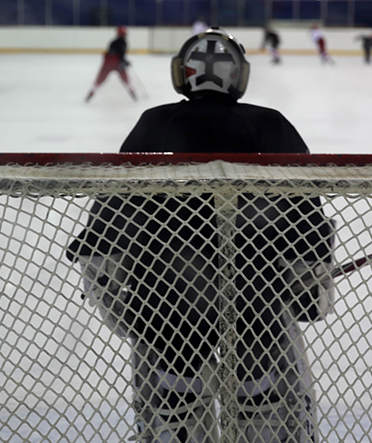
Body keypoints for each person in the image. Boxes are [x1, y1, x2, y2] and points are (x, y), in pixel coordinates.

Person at [68, 28, 335, 443]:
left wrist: (111, 291)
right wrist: (309, 287)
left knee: (174, 401)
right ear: (239, 76)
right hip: (256, 301)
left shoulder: (155, 123)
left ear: (182, 74)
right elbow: (306, 219)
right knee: (261, 399)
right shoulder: (270, 125)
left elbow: (112, 215)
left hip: (166, 301)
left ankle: (176, 420)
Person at [84, 26, 138, 102]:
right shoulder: (123, 42)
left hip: (108, 63)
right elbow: (120, 55)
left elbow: (114, 53)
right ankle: (133, 95)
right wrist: (124, 62)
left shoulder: (113, 42)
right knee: (126, 80)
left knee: (100, 80)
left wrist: (123, 61)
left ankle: (90, 94)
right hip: (116, 63)